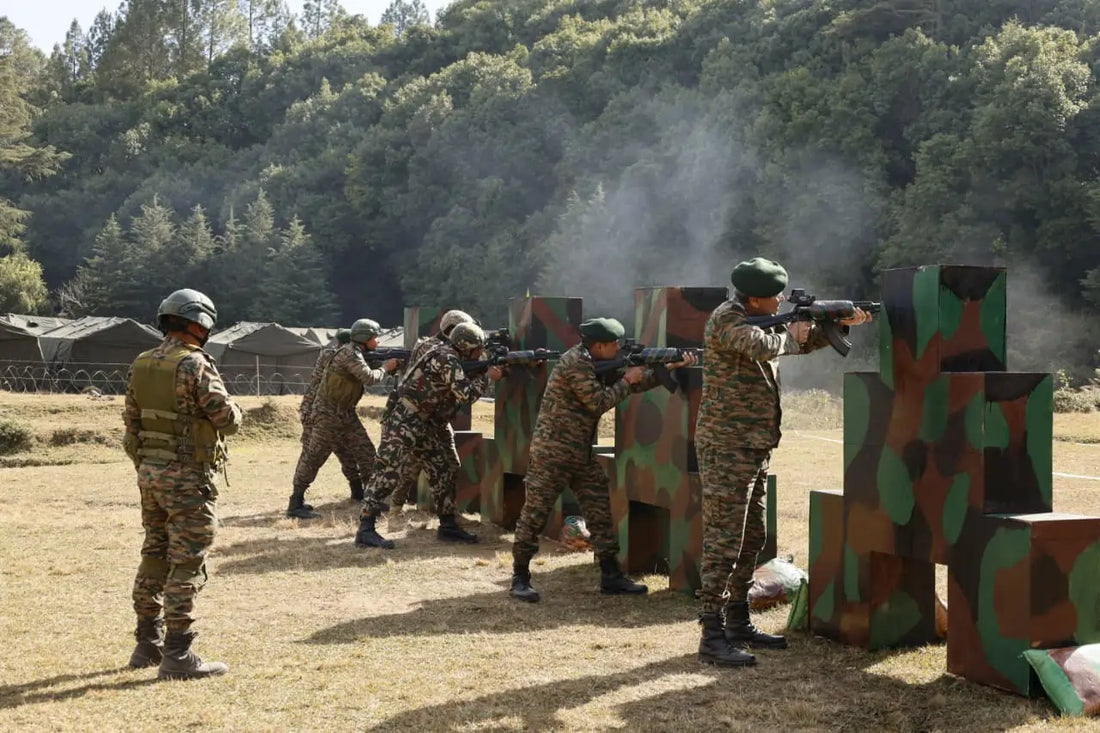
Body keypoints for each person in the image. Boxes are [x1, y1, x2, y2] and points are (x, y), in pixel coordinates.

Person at [695, 258, 872, 667]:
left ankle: (737, 622)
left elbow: (799, 343)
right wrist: (791, 333)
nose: (779, 301)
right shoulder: (727, 319)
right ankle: (711, 634)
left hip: (754, 444)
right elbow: (763, 345)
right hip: (727, 446)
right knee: (724, 541)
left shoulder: (761, 319)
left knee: (752, 537)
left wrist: (839, 325)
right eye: (774, 296)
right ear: (754, 298)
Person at [509, 317, 697, 603]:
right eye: (613, 345)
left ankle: (611, 575)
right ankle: (520, 577)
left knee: (599, 512)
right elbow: (598, 401)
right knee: (535, 514)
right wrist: (627, 379)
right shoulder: (575, 363)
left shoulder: (596, 360)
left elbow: (633, 384)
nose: (618, 349)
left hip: (581, 453)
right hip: (553, 453)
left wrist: (667, 368)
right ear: (598, 346)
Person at [123, 288, 242, 680]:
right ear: (199, 323)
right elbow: (226, 419)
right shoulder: (194, 364)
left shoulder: (142, 362)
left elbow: (131, 423)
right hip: (188, 478)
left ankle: (147, 642)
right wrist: (237, 410)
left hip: (150, 474)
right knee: (187, 560)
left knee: (154, 552)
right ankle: (178, 653)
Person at [354, 322, 504, 549]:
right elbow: (465, 395)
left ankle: (447, 525)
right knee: (388, 472)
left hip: (428, 423)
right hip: (406, 419)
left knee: (446, 468)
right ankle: (365, 529)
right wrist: (488, 377)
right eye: (477, 348)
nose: (480, 352)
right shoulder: (446, 358)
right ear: (466, 347)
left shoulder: (450, 355)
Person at [287, 319, 399, 519]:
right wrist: (386, 367)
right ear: (364, 338)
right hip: (327, 414)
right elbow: (370, 378)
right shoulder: (349, 354)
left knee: (366, 452)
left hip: (346, 413)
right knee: (314, 456)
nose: (378, 341)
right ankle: (295, 504)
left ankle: (370, 498)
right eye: (375, 338)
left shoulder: (357, 353)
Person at [388, 309, 475, 521]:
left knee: (449, 465)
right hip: (421, 416)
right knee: (414, 464)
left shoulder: (437, 347)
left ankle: (447, 513)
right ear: (451, 330)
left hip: (436, 416)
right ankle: (395, 509)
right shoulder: (435, 348)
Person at [291, 328, 366, 510]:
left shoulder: (335, 354)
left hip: (332, 411)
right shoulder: (332, 355)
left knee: (345, 452)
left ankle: (357, 491)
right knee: (313, 454)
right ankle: (296, 500)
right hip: (317, 410)